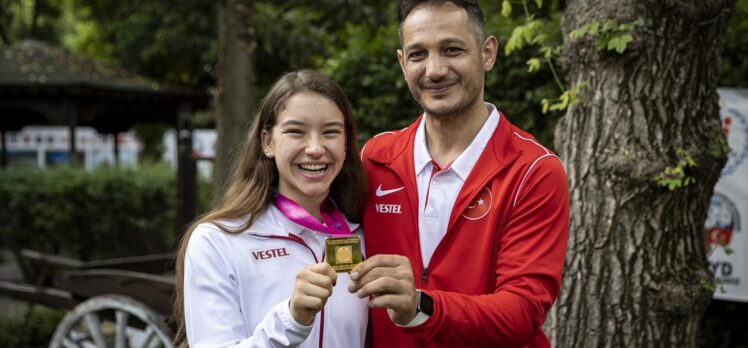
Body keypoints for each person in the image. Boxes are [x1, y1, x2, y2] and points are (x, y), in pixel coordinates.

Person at [347, 1, 570, 347]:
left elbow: (523, 310)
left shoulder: (534, 170)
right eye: (418, 54)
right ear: (403, 64)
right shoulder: (375, 158)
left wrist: (420, 307)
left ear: (488, 53)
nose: (435, 70)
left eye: (452, 50)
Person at [174, 70, 369, 348]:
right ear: (267, 142)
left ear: (346, 143)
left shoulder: (364, 234)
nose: (315, 148)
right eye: (296, 132)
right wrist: (290, 320)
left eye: (330, 132)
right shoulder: (217, 241)